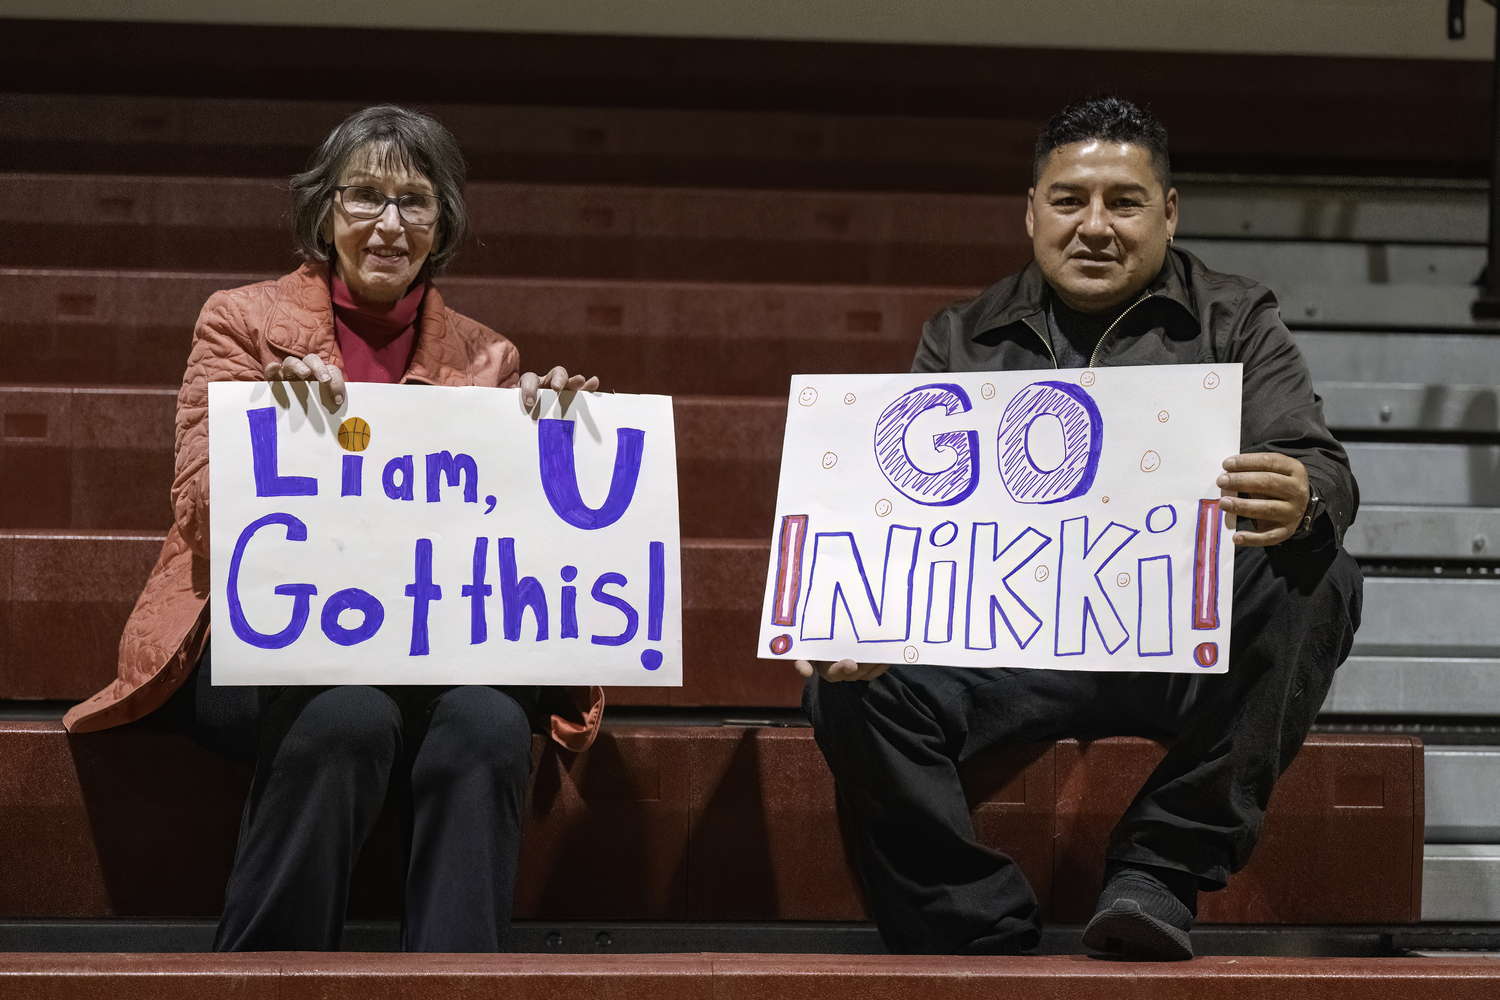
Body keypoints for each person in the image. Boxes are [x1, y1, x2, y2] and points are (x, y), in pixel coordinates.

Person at [798, 95, 1363, 961]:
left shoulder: (1236, 319)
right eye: (1069, 201)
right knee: (844, 677)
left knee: (1321, 573)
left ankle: (1158, 872)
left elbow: (1322, 469)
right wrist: (862, 604)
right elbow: (904, 526)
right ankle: (970, 924)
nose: (1094, 225)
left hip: (1176, 642)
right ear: (1031, 213)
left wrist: (1304, 496)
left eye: (1124, 202)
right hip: (1012, 650)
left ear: (1167, 213)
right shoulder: (959, 337)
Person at [63, 105, 603, 952]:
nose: (390, 223)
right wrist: (274, 431)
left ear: (443, 223)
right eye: (366, 196)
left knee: (492, 725)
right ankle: (267, 976)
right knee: (346, 713)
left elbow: (512, 544)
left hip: (425, 650)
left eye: (416, 201)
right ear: (325, 211)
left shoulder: (489, 358)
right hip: (263, 645)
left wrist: (559, 441)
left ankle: (459, 984)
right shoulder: (239, 321)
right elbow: (202, 512)